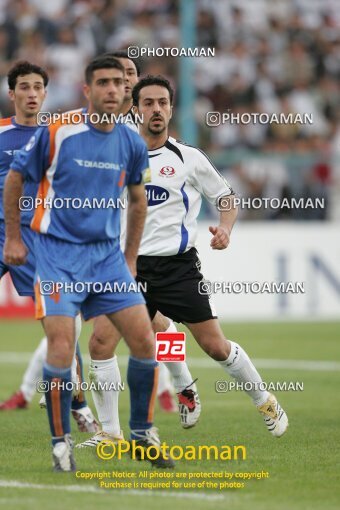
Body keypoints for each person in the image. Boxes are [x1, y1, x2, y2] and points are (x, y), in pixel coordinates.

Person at [78, 75, 289, 448]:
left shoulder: (188, 158)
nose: (155, 110)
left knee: (215, 346)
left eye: (162, 103)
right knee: (100, 344)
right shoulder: (117, 153)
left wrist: (225, 228)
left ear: (171, 109)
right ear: (136, 108)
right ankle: (110, 434)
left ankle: (264, 400)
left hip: (177, 269)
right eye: (148, 103)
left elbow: (226, 197)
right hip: (127, 267)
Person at [3, 57, 174, 471]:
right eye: (104, 83)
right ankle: (61, 443)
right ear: (88, 90)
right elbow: (15, 179)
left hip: (107, 259)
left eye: (119, 83)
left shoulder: (131, 142)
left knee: (145, 341)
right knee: (62, 346)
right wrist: (11, 237)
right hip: (58, 255)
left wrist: (130, 259)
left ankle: (141, 433)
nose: (114, 89)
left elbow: (137, 201)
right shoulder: (58, 132)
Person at [0, 60, 99, 433]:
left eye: (37, 87)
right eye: (23, 87)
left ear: (45, 93)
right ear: (12, 94)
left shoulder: (57, 135)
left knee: (61, 321)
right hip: (2, 232)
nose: (30, 94)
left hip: (39, 241)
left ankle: (78, 403)